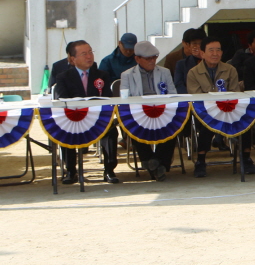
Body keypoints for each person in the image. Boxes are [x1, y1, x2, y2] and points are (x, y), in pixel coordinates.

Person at [187, 37, 255, 176]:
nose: (215, 54)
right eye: (211, 50)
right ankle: (200, 161)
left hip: (229, 110)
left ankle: (246, 158)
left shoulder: (230, 69)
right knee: (207, 124)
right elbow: (196, 98)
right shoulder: (193, 73)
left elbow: (235, 93)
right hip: (206, 111)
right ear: (202, 53)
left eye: (218, 50)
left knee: (245, 121)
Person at [54, 41, 119, 184]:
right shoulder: (63, 77)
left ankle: (109, 170)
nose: (89, 56)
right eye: (84, 54)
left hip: (96, 118)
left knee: (111, 130)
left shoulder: (102, 75)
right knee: (65, 129)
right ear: (72, 59)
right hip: (75, 118)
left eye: (90, 52)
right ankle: (71, 171)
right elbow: (62, 100)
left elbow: (107, 99)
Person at [120, 41, 175, 181]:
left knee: (174, 125)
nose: (152, 61)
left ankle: (153, 162)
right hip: (139, 112)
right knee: (135, 125)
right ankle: (157, 164)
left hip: (162, 111)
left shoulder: (164, 72)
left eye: (154, 57)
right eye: (148, 58)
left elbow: (173, 94)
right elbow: (125, 99)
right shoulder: (127, 75)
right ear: (137, 59)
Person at [173, 27, 206, 94]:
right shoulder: (181, 64)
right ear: (188, 44)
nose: (198, 46)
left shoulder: (211, 60)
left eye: (200, 43)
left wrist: (203, 57)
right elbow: (179, 84)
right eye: (194, 43)